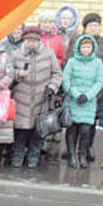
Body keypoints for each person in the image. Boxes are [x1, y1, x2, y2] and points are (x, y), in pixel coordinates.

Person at [10, 26, 62, 169]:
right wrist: (17, 74)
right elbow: (8, 72)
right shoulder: (16, 55)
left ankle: (34, 156)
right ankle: (17, 155)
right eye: (28, 40)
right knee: (20, 131)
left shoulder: (49, 54)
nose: (31, 43)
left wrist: (52, 88)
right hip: (21, 98)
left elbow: (57, 74)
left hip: (41, 98)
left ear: (39, 41)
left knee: (38, 131)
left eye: (34, 40)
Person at [62, 35, 103, 169]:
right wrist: (76, 94)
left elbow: (99, 82)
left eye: (89, 47)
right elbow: (66, 81)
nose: (86, 49)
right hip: (73, 100)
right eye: (84, 47)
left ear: (93, 48)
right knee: (72, 129)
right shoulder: (72, 62)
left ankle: (82, 154)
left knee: (86, 129)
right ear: (79, 48)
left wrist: (88, 95)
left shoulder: (98, 63)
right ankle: (72, 155)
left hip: (89, 101)